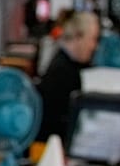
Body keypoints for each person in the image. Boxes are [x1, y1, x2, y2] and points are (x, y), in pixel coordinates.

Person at [36, 11, 100, 143]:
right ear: (78, 36)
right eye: (93, 39)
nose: (94, 46)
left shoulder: (70, 65)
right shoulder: (61, 73)